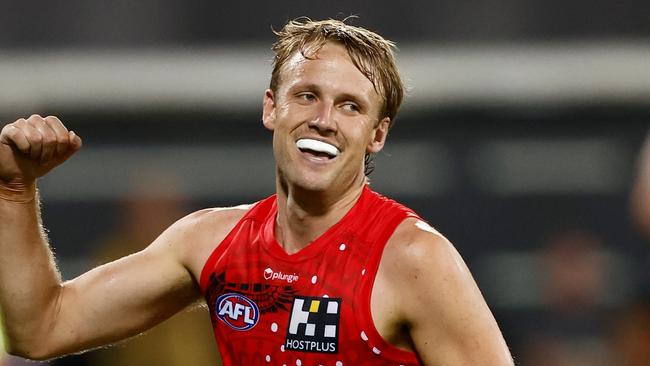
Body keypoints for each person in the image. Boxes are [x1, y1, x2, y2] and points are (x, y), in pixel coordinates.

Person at [0, 18, 513, 365]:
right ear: (272, 109)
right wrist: (15, 191)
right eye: (307, 95)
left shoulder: (415, 260)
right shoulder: (208, 242)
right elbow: (42, 328)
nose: (324, 120)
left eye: (351, 106)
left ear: (377, 135)